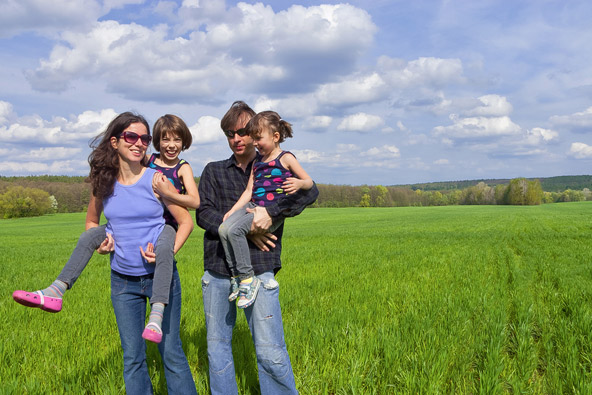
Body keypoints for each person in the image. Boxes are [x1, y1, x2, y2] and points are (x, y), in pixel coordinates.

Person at [17, 112, 197, 394]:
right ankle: (55, 291)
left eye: (145, 139)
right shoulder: (104, 182)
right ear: (115, 141)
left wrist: (167, 253)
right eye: (131, 137)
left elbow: (186, 221)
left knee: (171, 354)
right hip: (123, 282)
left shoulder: (156, 179)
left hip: (160, 278)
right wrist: (103, 244)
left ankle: (157, 314)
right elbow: (92, 222)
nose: (139, 143)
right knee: (132, 358)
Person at [196, 101, 318, 394]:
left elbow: (310, 191)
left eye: (242, 132)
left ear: (256, 133)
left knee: (270, 351)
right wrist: (249, 231)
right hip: (218, 269)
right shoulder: (213, 171)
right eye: (229, 133)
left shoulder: (274, 164)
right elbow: (203, 213)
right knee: (218, 351)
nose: (236, 138)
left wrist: (272, 214)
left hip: (260, 267)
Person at [219, 111, 313, 308]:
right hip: (253, 207)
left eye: (258, 138)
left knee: (234, 231)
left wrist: (298, 184)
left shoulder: (286, 158)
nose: (255, 143)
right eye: (253, 138)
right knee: (224, 228)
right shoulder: (257, 162)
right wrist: (232, 211)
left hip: (271, 211)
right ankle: (236, 276)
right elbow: (249, 191)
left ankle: (247, 279)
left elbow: (309, 182)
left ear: (275, 136)